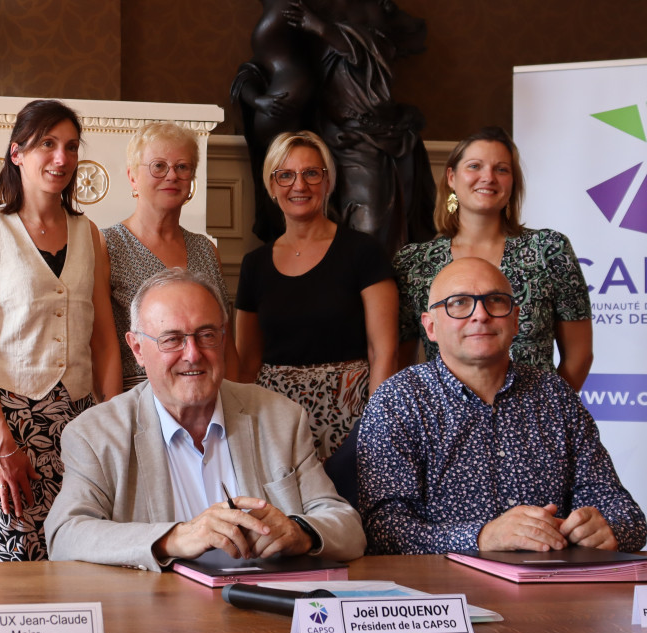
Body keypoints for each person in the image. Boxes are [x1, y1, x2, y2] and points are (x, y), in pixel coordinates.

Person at [46, 268, 365, 570]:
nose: (193, 354)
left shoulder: (280, 418)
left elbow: (348, 528)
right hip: (155, 618)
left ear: (224, 339)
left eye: (207, 334)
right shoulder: (95, 434)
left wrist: (301, 532)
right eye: (171, 339)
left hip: (264, 616)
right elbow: (65, 535)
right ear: (138, 350)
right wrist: (174, 538)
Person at [359, 257, 644, 555]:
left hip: (550, 586)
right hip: (444, 590)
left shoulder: (554, 394)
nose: (480, 315)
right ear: (431, 327)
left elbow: (625, 513)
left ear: (515, 319)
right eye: (459, 303)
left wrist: (609, 528)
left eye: (495, 301)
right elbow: (382, 529)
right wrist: (481, 538)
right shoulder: (398, 399)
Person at [0, 98, 121, 561]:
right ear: (17, 153)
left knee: (77, 574)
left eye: (70, 146)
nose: (61, 158)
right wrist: (1, 445)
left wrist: (108, 423)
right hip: (6, 426)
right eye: (47, 144)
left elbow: (105, 339)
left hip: (77, 429)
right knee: (4, 580)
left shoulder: (91, 235)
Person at [235, 131, 397, 461]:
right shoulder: (255, 264)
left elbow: (384, 352)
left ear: (328, 181)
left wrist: (376, 425)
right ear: (271, 185)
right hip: (274, 417)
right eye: (286, 175)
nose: (299, 185)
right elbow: (247, 362)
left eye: (311, 173)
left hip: (351, 415)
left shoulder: (363, 252)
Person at [284, 0, 434, 258]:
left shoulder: (375, 8)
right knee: (364, 223)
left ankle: (380, 297)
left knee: (385, 226)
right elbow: (287, 62)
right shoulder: (315, 1)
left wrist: (323, 29)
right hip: (340, 130)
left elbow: (399, 45)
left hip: (383, 124)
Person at [394, 126, 592, 389]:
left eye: (501, 169)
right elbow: (402, 364)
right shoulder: (413, 262)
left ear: (513, 182)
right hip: (446, 423)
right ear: (451, 177)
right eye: (475, 166)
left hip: (534, 421)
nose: (488, 177)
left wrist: (550, 411)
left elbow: (579, 356)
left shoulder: (550, 249)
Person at [105, 120, 237, 390]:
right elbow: (102, 347)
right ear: (133, 176)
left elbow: (227, 344)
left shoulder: (205, 249)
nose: (172, 175)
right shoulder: (107, 244)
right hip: (139, 397)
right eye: (158, 166)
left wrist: (238, 406)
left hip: (208, 395)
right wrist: (115, 416)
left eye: (182, 167)